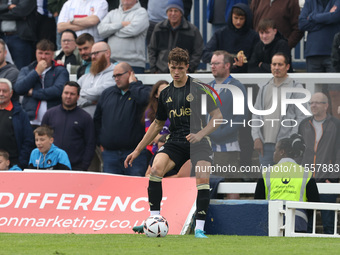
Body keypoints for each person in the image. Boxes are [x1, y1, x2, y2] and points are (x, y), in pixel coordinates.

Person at [125, 47, 223, 238]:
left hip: (199, 141)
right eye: (173, 68)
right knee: (155, 170)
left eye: (180, 68)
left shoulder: (200, 89)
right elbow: (157, 124)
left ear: (187, 67)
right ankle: (153, 221)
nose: (176, 72)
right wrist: (137, 150)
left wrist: (201, 134)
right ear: (168, 67)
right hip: (176, 139)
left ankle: (200, 229)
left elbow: (218, 117)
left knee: (202, 180)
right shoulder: (165, 94)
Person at [254, 134, 320, 233]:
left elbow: (258, 202)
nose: (274, 153)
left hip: (271, 223)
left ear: (282, 152)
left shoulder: (266, 172)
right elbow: (315, 203)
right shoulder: (306, 173)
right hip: (298, 223)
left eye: (275, 150)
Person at [94, 62, 150, 175]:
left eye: (119, 75)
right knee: (110, 188)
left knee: (136, 188)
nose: (116, 79)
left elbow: (146, 100)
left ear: (130, 74)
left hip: (135, 153)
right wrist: (100, 142)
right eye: (114, 76)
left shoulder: (141, 91)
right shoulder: (107, 93)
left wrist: (133, 85)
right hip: (110, 154)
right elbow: (97, 120)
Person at [252, 53, 307, 167]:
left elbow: (301, 117)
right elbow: (256, 114)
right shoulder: (264, 87)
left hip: (285, 147)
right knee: (267, 182)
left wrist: (290, 140)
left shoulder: (296, 88)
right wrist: (256, 137)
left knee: (285, 181)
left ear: (287, 67)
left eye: (280, 64)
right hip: (265, 146)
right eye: (274, 64)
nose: (276, 68)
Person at [298, 92, 340, 234]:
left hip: (327, 180)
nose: (313, 105)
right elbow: (299, 152)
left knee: (328, 222)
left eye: (317, 102)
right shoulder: (304, 124)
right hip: (308, 180)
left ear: (326, 105)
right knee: (307, 221)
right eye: (311, 103)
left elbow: (339, 153)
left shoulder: (336, 124)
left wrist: (333, 178)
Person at [208, 50, 247, 199]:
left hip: (227, 147)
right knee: (208, 188)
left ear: (227, 65)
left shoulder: (236, 87)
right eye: (211, 63)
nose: (213, 66)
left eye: (216, 63)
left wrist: (219, 133)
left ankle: (234, 219)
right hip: (207, 147)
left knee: (230, 185)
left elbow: (240, 117)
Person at [13, 39, 69, 127]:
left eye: (47, 53)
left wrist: (33, 92)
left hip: (53, 120)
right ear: (36, 53)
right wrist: (36, 73)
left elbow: (58, 91)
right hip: (30, 120)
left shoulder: (60, 70)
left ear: (53, 55)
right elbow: (18, 88)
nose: (43, 56)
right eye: (40, 53)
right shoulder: (27, 69)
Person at [41, 81, 96, 171]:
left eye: (72, 94)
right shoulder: (50, 114)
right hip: (51, 166)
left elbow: (90, 144)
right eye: (66, 93)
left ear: (78, 97)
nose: (68, 96)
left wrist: (83, 166)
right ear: (62, 94)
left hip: (75, 167)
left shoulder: (85, 118)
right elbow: (41, 138)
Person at [148, 0, 204, 73]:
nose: (173, 14)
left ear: (181, 13)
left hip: (182, 74)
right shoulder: (158, 28)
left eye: (176, 11)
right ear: (166, 13)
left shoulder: (192, 30)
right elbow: (152, 49)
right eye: (170, 11)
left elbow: (198, 51)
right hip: (161, 72)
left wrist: (189, 69)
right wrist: (154, 69)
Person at [202, 3, 259, 73]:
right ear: (231, 16)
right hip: (223, 74)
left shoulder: (254, 36)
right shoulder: (220, 34)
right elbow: (205, 55)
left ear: (246, 19)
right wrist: (222, 59)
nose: (238, 21)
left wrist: (244, 63)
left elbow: (257, 60)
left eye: (241, 19)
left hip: (245, 74)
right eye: (236, 18)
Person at [97, 0, 149, 73]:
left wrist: (112, 31)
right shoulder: (112, 13)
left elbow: (133, 30)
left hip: (134, 64)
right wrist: (121, 24)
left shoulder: (142, 13)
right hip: (111, 63)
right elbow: (101, 30)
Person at [0, 78, 34, 170]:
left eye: (4, 91)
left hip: (14, 166)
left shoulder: (20, 114)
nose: (1, 94)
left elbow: (28, 140)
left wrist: (20, 164)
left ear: (11, 93)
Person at [299, 0, 340, 73]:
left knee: (334, 84)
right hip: (313, 54)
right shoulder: (309, 2)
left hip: (333, 54)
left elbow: (335, 16)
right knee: (312, 84)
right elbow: (302, 24)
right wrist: (327, 19)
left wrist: (312, 16)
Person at [77, 41, 116, 118]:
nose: (93, 57)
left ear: (107, 53)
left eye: (96, 53)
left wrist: (80, 95)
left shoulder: (115, 74)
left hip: (103, 123)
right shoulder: (85, 77)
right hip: (82, 123)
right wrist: (91, 101)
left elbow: (99, 93)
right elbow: (72, 95)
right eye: (92, 54)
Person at [0, 0, 37, 70]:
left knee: (21, 70)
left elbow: (21, 12)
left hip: (20, 38)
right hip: (3, 38)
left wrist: (2, 14)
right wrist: (8, 7)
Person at [144, 80, 170, 159]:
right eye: (162, 91)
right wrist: (167, 139)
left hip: (171, 151)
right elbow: (150, 135)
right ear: (156, 95)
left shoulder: (176, 110)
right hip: (152, 152)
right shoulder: (149, 112)